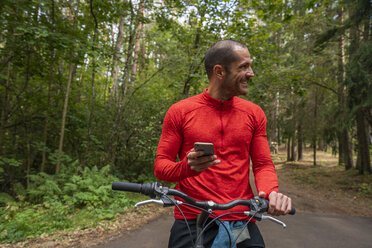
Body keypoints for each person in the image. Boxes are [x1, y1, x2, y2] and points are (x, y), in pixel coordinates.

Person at [154, 40, 292, 248]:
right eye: (243, 67)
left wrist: (271, 191)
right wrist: (186, 168)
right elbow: (161, 167)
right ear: (219, 72)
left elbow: (262, 164)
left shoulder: (254, 114)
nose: (251, 73)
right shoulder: (180, 111)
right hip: (191, 215)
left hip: (241, 216)